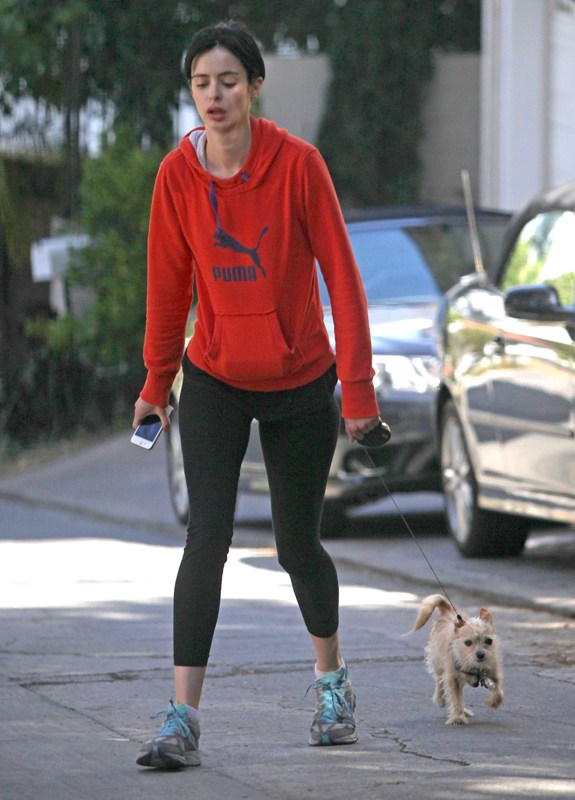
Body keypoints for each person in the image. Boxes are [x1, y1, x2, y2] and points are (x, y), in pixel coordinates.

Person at [133, 20, 380, 770]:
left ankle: (331, 685)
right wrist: (155, 382)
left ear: (255, 86)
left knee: (296, 544)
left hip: (300, 380)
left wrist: (357, 390)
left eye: (228, 81)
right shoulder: (176, 177)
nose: (214, 96)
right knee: (205, 540)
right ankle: (182, 718)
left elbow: (342, 277)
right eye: (201, 84)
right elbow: (168, 286)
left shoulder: (299, 165)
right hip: (213, 375)